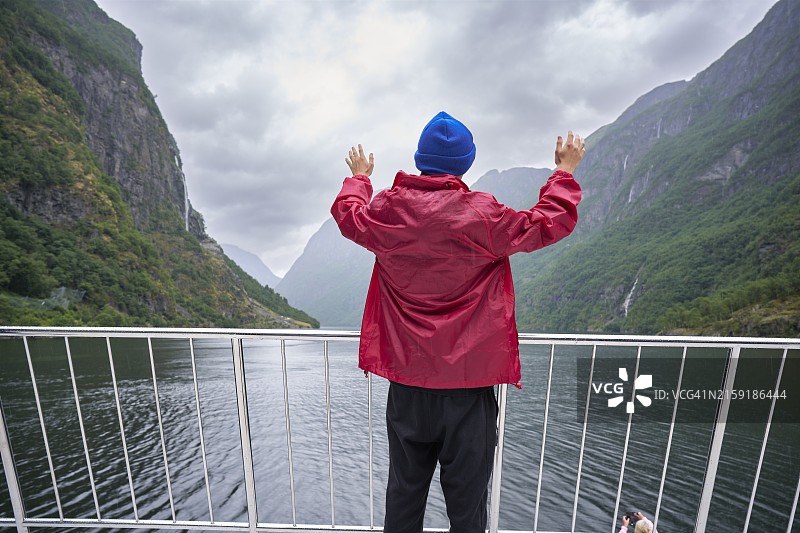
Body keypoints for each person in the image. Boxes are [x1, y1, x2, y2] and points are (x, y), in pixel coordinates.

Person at [331, 111, 585, 533]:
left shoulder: (389, 211)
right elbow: (549, 223)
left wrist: (360, 178)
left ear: (419, 158)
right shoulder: (484, 215)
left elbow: (348, 214)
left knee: (403, 499)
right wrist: (564, 171)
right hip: (468, 391)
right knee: (467, 511)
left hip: (409, 388)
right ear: (466, 163)